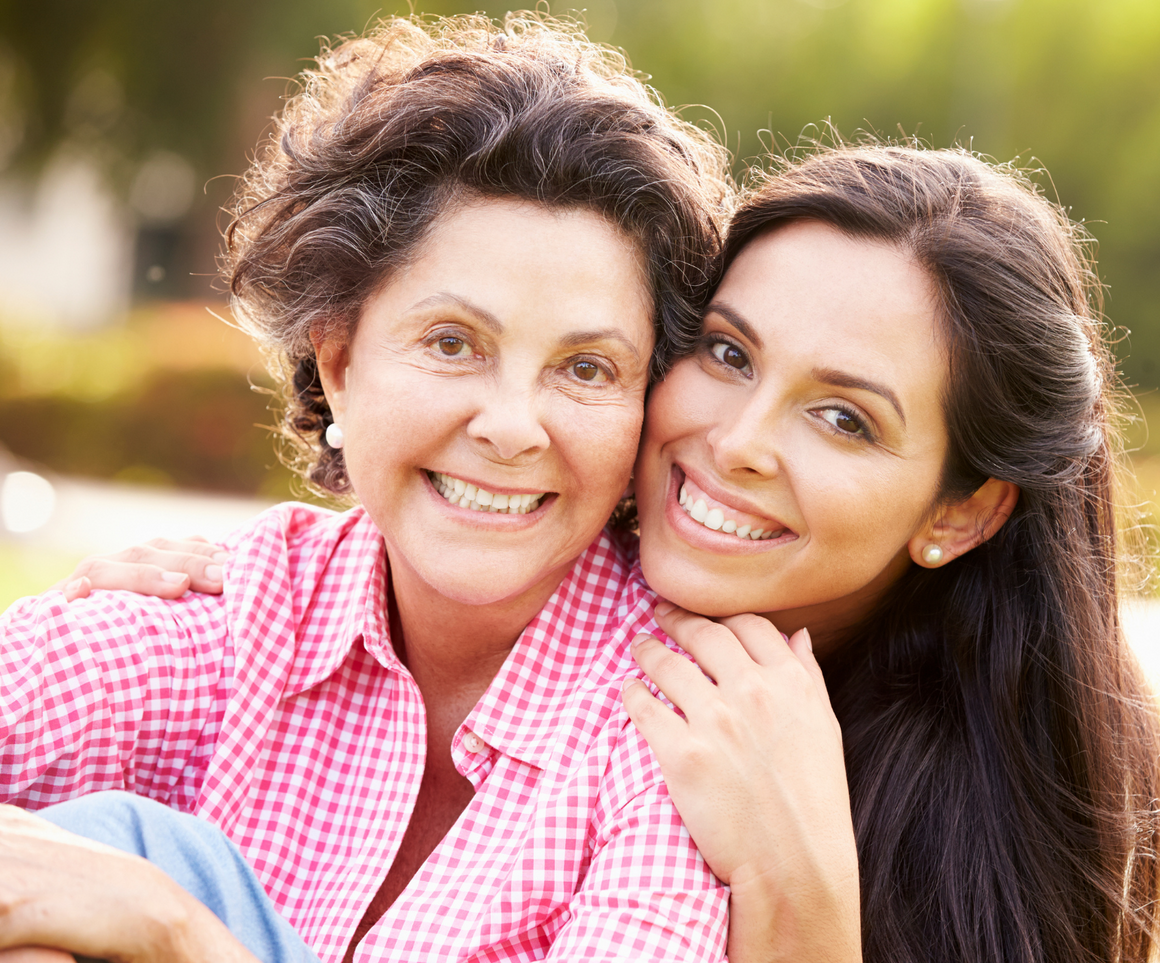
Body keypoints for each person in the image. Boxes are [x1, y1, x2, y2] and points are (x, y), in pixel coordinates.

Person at [29, 145, 1160, 963]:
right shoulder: (325, 602)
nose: (733, 443)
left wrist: (803, 898)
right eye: (729, 355)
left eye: (844, 418)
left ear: (960, 511)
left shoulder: (922, 810)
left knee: (137, 861)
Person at [0, 12, 734, 963]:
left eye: (586, 368)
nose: (512, 426)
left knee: (134, 867)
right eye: (451, 342)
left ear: (647, 404)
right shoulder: (241, 610)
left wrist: (174, 929)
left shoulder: (676, 719)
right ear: (340, 361)